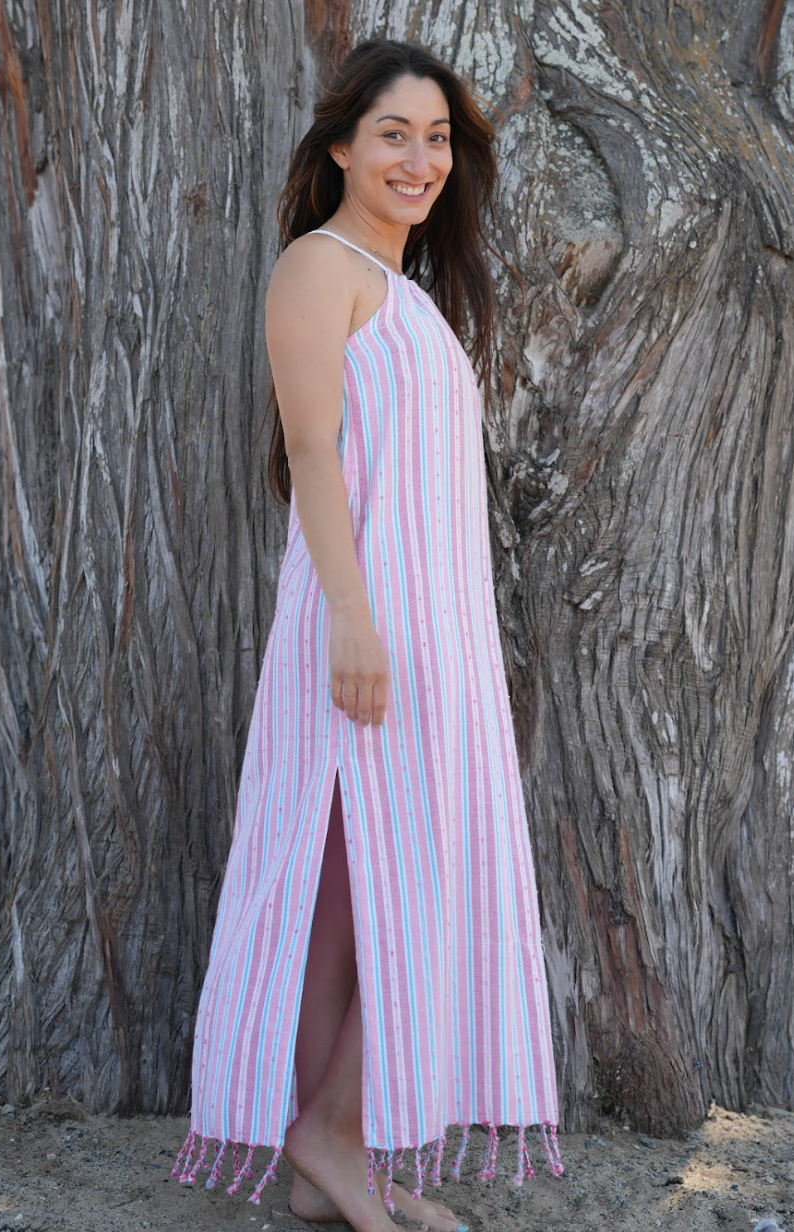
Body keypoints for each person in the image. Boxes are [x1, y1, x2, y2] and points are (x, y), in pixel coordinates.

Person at [172, 37, 563, 1232]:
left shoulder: (413, 299)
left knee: (370, 896)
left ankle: (323, 1161)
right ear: (340, 143)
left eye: (437, 137)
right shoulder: (319, 267)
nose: (419, 157)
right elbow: (308, 457)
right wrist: (351, 615)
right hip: (358, 631)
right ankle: (328, 1134)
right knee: (384, 889)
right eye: (394, 132)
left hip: (430, 646)